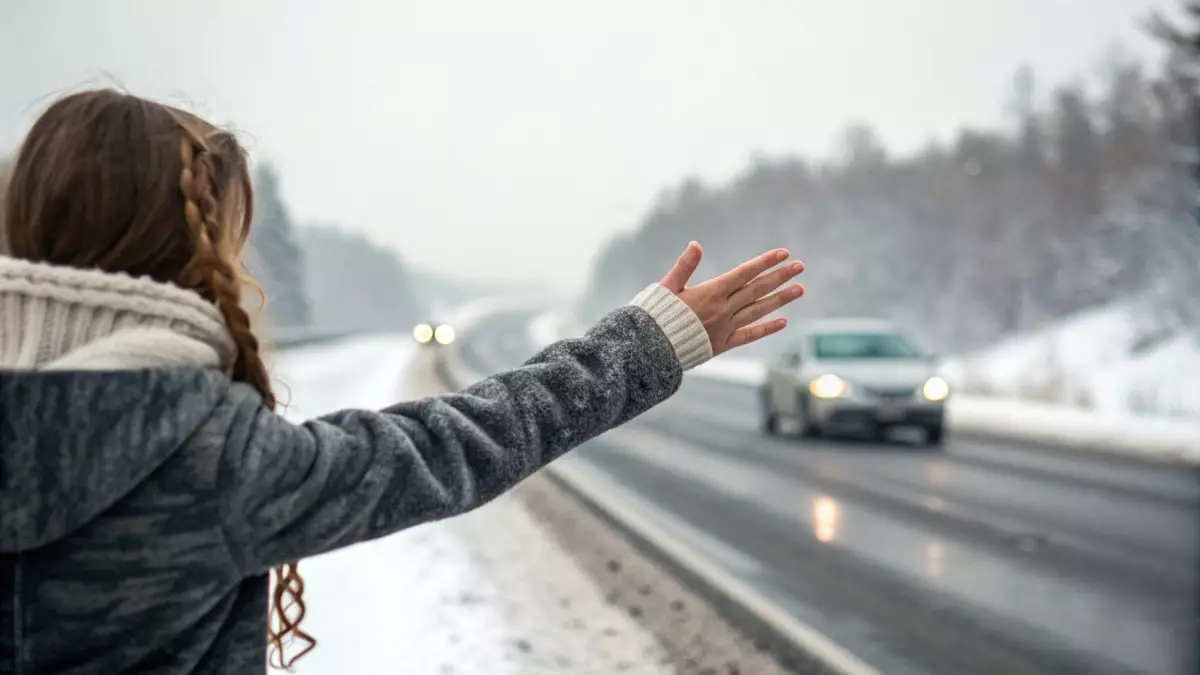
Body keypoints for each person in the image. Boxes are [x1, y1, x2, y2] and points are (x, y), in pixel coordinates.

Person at [0, 89, 805, 675]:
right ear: (186, 256)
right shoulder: (210, 459)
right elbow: (456, 445)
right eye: (227, 246)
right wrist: (648, 345)